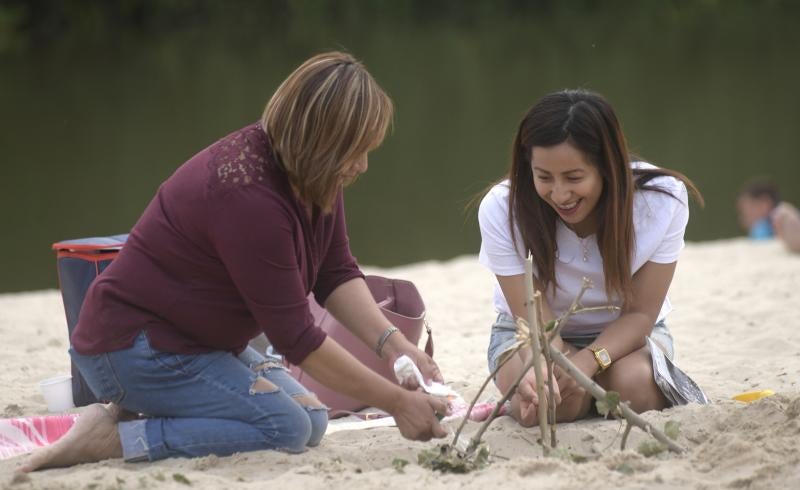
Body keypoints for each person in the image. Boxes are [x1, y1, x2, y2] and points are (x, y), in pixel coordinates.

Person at [21, 52, 446, 473]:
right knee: (285, 428)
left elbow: (336, 274)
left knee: (312, 420)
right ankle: (114, 437)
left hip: (195, 342)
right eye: (354, 151)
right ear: (321, 140)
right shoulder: (250, 199)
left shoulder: (315, 171)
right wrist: (397, 402)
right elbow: (299, 341)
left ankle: (139, 415)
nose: (363, 165)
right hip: (131, 349)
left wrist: (399, 349)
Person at [478, 89, 704, 426]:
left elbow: (642, 313)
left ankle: (593, 389)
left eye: (574, 178)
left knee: (635, 391)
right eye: (544, 177)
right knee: (548, 405)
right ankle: (579, 396)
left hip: (627, 334)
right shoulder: (501, 207)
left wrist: (586, 363)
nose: (559, 193)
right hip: (533, 332)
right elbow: (534, 319)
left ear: (607, 166)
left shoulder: (662, 201)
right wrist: (548, 365)